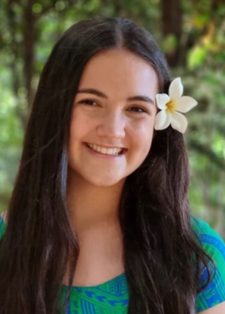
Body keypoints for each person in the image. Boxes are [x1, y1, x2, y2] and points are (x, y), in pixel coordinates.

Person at [0, 16, 224, 314]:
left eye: (136, 108)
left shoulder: (197, 255)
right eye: (91, 102)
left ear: (158, 124)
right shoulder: (5, 243)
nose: (113, 129)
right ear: (56, 108)